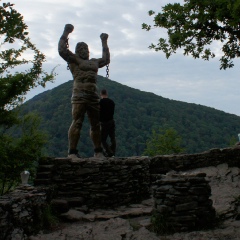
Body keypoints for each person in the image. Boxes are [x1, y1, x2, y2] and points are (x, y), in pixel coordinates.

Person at [58, 24, 110, 158]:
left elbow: (106, 59)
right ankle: (72, 152)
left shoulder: (94, 62)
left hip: (93, 95)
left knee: (95, 124)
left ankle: (98, 151)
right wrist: (66, 32)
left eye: (86, 48)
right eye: (81, 48)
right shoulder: (74, 59)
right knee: (77, 121)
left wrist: (104, 41)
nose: (84, 50)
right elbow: (62, 50)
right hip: (79, 94)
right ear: (77, 50)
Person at [100, 89, 116, 157]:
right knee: (112, 137)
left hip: (105, 122)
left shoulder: (100, 102)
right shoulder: (112, 102)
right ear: (107, 93)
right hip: (112, 121)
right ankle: (113, 151)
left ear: (101, 94)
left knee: (102, 139)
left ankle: (109, 152)